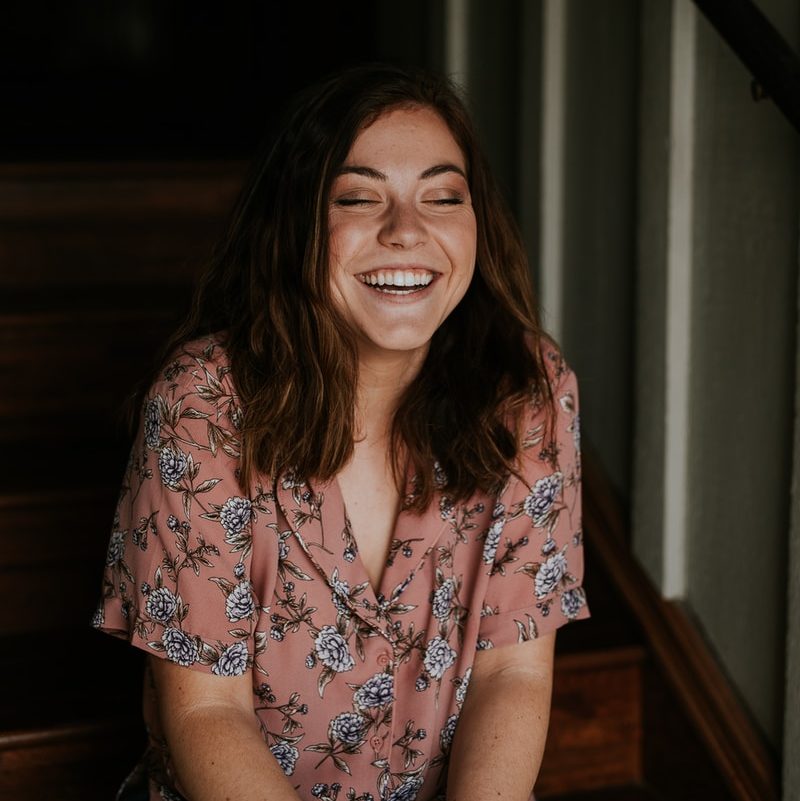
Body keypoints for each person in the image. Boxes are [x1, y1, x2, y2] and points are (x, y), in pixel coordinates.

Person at [94, 64, 588, 801]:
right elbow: (205, 711)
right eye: (359, 197)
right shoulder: (202, 406)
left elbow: (511, 674)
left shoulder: (528, 395)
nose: (407, 231)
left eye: (443, 196)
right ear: (296, 224)